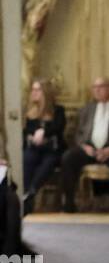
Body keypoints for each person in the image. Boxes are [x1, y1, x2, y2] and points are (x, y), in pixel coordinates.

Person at [60, 77, 109, 213]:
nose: (97, 90)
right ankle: (69, 202)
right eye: (94, 87)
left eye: (101, 87)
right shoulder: (86, 109)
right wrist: (84, 146)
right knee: (68, 157)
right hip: (90, 150)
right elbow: (77, 133)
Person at [22, 79, 66, 216]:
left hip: (52, 149)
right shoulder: (29, 111)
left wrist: (44, 132)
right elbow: (27, 130)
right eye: (33, 90)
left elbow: (58, 127)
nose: (33, 93)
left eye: (37, 90)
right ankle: (26, 195)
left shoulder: (58, 110)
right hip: (34, 148)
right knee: (27, 158)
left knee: (48, 163)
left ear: (45, 92)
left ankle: (31, 193)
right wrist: (34, 135)